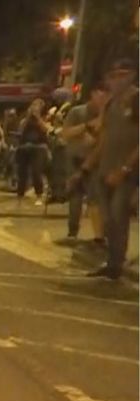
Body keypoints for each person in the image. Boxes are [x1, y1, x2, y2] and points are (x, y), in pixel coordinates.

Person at [74, 57, 139, 280]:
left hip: (126, 173)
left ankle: (116, 264)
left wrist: (124, 169)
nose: (115, 81)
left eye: (121, 75)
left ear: (131, 76)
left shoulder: (137, 100)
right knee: (109, 219)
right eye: (113, 76)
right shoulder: (112, 105)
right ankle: (112, 262)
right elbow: (104, 139)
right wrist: (86, 167)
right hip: (106, 171)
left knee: (118, 215)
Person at [58, 82, 108, 245]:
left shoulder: (107, 114)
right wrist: (86, 126)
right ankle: (72, 232)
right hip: (75, 158)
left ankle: (99, 237)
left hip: (94, 161)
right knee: (75, 196)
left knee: (95, 197)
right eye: (101, 94)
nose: (103, 98)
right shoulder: (77, 112)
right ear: (93, 94)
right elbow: (66, 133)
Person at [16, 99, 51, 204]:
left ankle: (39, 195)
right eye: (33, 104)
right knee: (22, 173)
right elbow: (20, 130)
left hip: (39, 147)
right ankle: (20, 195)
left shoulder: (45, 118)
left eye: (38, 105)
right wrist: (28, 117)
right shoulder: (25, 120)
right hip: (25, 147)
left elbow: (46, 130)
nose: (35, 106)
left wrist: (38, 117)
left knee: (36, 171)